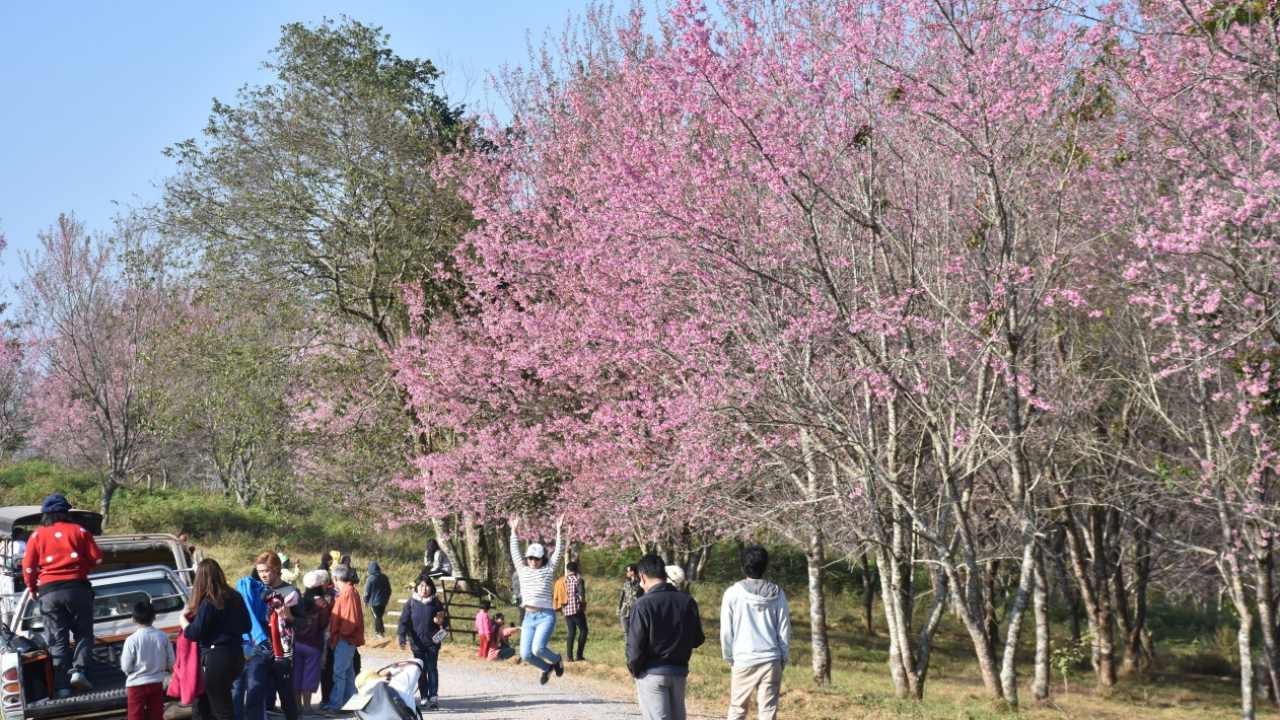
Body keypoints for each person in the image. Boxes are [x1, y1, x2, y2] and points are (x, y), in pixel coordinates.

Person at [22, 492, 102, 696]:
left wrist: (32, 588)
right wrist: (81, 566)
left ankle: (62, 686)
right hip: (77, 588)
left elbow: (28, 567)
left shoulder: (37, 535)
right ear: (67, 512)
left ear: (45, 515)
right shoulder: (80, 531)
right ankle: (80, 671)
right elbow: (97, 559)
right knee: (84, 632)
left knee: (57, 639)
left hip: (49, 592)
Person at [626, 554, 705, 720]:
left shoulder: (642, 604)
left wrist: (635, 669)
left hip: (651, 672)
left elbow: (635, 646)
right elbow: (698, 638)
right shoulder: (687, 601)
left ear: (642, 576)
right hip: (679, 671)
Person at [720, 545, 791, 720]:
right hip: (771, 659)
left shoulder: (732, 593)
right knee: (768, 711)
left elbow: (726, 631)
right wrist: (783, 657)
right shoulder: (778, 593)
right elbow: (784, 629)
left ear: (743, 566)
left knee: (737, 709)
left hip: (743, 659)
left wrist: (729, 656)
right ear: (765, 566)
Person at [183, 559, 251, 720]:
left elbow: (194, 633)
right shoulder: (236, 597)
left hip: (215, 658)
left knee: (222, 711)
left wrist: (183, 621)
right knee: (206, 705)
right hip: (235, 655)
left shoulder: (209, 602)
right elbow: (246, 626)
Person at [236, 551, 300, 720]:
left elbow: (303, 623)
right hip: (260, 650)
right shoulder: (256, 590)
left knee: (287, 697)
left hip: (283, 653)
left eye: (267, 571)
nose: (263, 575)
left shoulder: (290, 591)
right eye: (260, 571)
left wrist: (288, 616)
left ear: (277, 568)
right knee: (256, 693)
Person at [509, 515, 566, 685]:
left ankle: (556, 659)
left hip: (545, 615)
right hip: (529, 616)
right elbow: (515, 553)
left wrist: (558, 531)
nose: (533, 561)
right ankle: (546, 668)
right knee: (526, 654)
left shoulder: (548, 570)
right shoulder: (522, 570)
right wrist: (513, 531)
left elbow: (559, 552)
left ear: (542, 559)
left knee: (538, 648)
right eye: (530, 558)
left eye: (537, 558)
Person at [398, 577, 446, 710]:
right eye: (421, 586)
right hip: (416, 643)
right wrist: (402, 637)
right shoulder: (411, 603)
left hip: (432, 643)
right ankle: (424, 696)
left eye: (426, 586)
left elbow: (444, 621)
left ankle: (433, 697)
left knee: (432, 668)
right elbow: (403, 621)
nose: (423, 589)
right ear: (416, 588)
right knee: (420, 670)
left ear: (431, 588)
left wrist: (440, 621)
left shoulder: (436, 603)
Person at [122, 600, 174, 720]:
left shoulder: (131, 640)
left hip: (136, 684)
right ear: (154, 617)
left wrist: (130, 672)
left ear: (133, 619)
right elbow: (171, 661)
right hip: (157, 682)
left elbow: (126, 667)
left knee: (135, 716)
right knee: (156, 715)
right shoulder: (163, 636)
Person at [322, 564, 364, 712]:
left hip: (345, 639)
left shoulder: (348, 592)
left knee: (339, 673)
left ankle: (335, 705)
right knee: (348, 672)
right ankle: (349, 703)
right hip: (346, 638)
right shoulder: (348, 591)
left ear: (335, 577)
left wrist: (340, 636)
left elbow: (350, 619)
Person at [292, 570, 329, 713]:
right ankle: (307, 707)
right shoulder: (322, 603)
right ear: (320, 585)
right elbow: (323, 624)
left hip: (297, 642)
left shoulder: (298, 599)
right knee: (310, 674)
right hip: (314, 643)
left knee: (296, 673)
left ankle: (297, 705)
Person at [563, 561, 588, 662]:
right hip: (577, 609)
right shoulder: (578, 580)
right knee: (584, 630)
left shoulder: (563, 581)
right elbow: (581, 596)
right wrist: (583, 605)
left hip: (566, 610)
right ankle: (579, 655)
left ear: (567, 570)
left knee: (571, 632)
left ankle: (569, 656)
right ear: (576, 569)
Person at [364, 561, 392, 639]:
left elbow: (367, 591)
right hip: (383, 601)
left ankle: (378, 633)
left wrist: (365, 600)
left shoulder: (370, 578)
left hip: (374, 602)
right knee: (379, 616)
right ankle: (381, 632)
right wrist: (387, 598)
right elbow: (389, 590)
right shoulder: (384, 577)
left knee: (377, 617)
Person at [618, 564, 643, 634]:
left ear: (633, 572)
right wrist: (619, 608)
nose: (627, 573)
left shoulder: (641, 584)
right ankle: (628, 644)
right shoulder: (626, 583)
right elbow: (622, 596)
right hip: (625, 609)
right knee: (626, 630)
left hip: (637, 609)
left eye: (628, 571)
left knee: (636, 630)